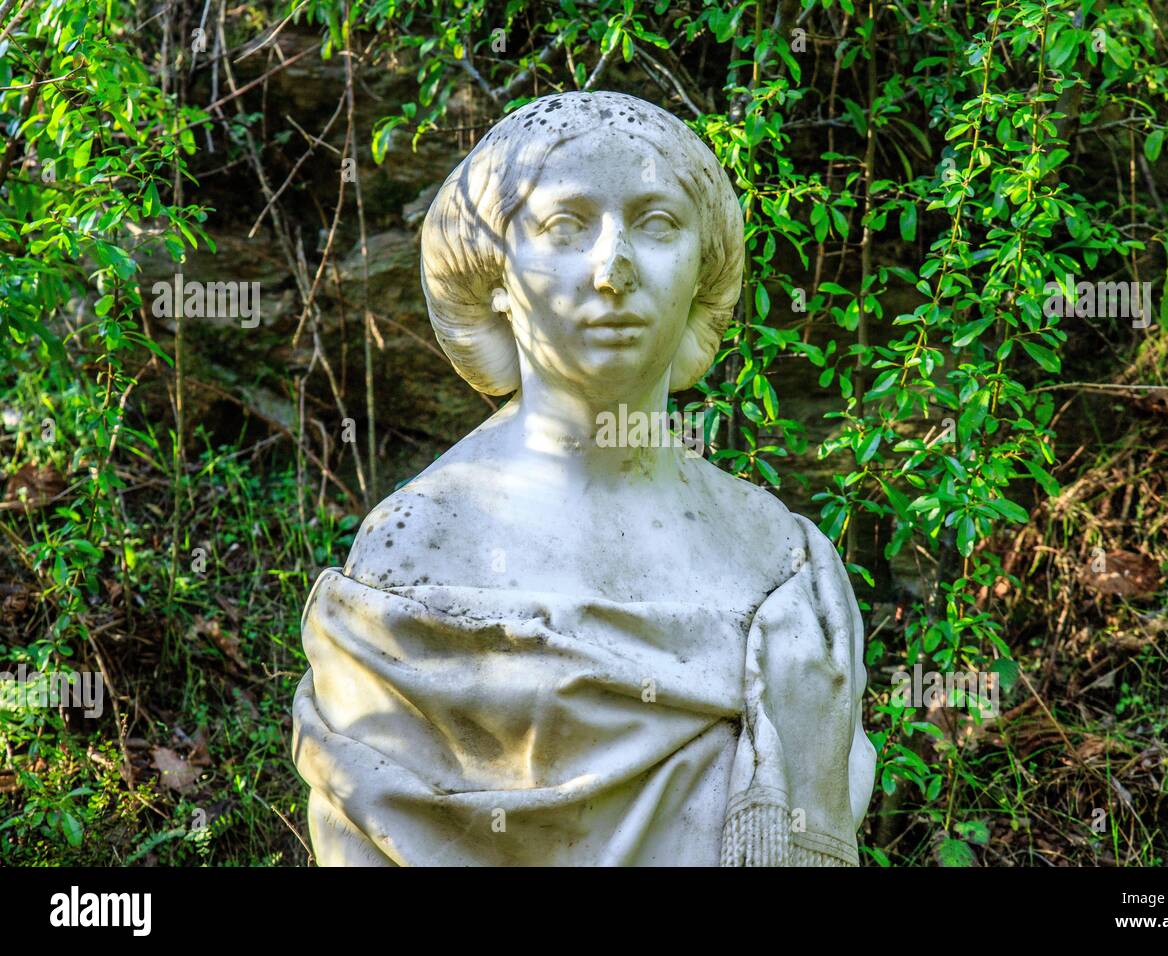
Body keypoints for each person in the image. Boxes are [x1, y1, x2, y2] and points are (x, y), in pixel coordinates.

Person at [292, 90, 875, 866]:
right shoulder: (413, 555)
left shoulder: (785, 568)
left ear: (705, 263)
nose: (613, 269)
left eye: (657, 223)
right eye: (565, 226)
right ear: (495, 270)